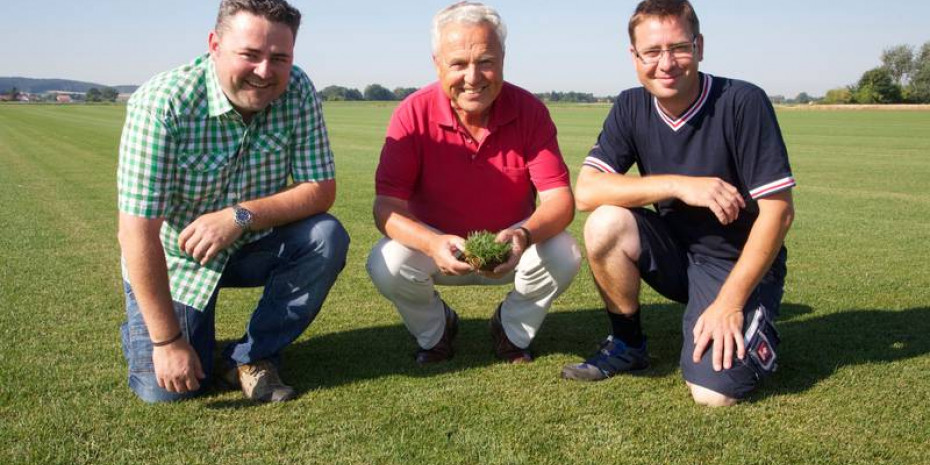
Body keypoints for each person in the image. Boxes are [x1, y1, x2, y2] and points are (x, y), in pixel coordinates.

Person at [560, 0, 796, 406]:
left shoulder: (742, 101)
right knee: (605, 222)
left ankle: (753, 323)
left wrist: (729, 302)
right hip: (676, 254)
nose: (666, 63)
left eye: (679, 48)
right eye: (652, 51)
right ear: (634, 56)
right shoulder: (631, 105)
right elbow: (587, 191)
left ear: (699, 46)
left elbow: (779, 211)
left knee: (713, 394)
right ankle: (627, 345)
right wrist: (679, 185)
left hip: (736, 264)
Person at [117, 0, 349, 403]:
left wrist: (239, 216)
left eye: (280, 58)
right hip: (179, 259)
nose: (265, 71)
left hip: (251, 244)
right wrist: (167, 342)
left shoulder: (297, 90)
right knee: (168, 391)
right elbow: (136, 234)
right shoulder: (163, 103)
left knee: (325, 236)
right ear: (215, 45)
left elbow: (320, 188)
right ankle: (149, 331)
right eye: (250, 54)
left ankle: (251, 355)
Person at [367, 1, 581, 365]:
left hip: (511, 243)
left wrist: (523, 235)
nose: (473, 76)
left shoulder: (530, 110)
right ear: (437, 63)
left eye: (485, 61)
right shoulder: (412, 112)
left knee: (564, 253)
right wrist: (431, 242)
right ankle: (436, 332)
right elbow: (386, 208)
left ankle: (511, 330)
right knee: (385, 261)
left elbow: (560, 200)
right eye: (458, 64)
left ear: (502, 59)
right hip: (435, 244)